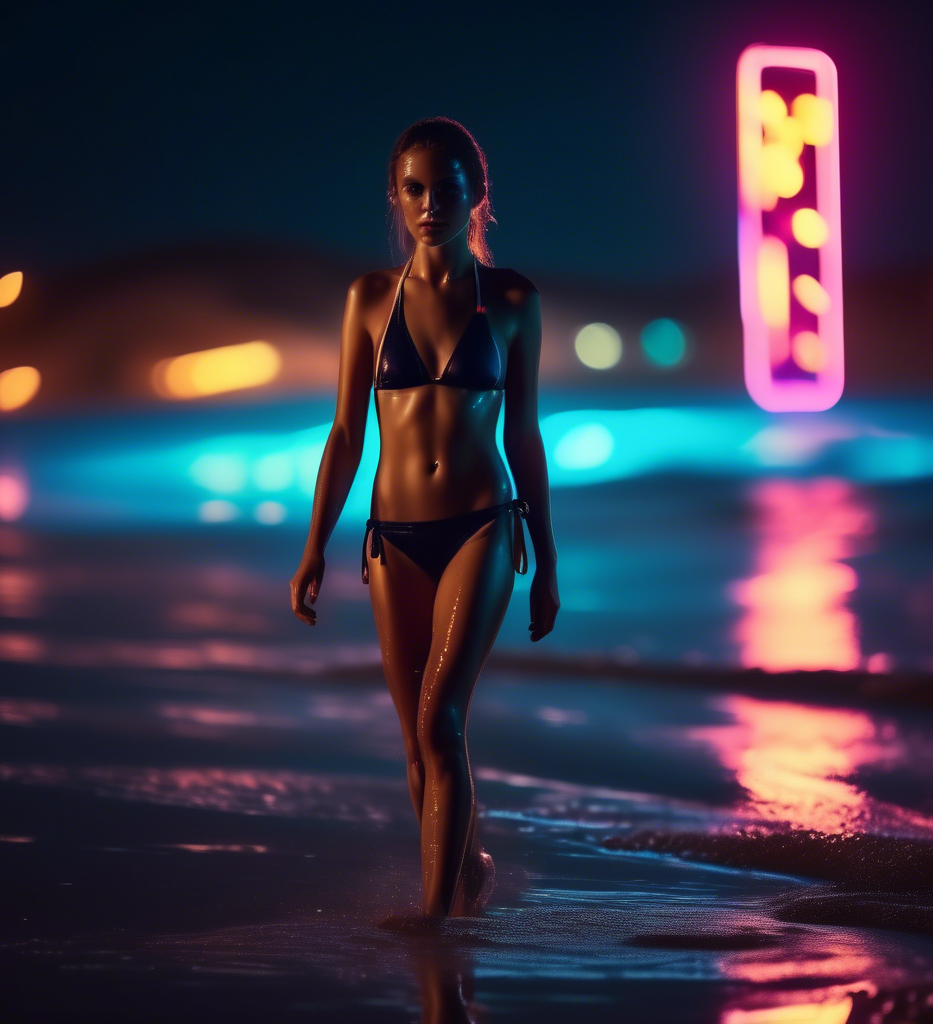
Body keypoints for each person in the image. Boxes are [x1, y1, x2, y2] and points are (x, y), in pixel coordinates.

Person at [290, 117, 559, 921]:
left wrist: (546, 559)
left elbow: (524, 434)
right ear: (396, 198)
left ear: (476, 195)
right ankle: (465, 867)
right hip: (393, 538)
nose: (430, 203)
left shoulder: (511, 299)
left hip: (482, 526)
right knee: (415, 741)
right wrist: (314, 549)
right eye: (414, 189)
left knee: (441, 723)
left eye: (446, 188)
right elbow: (345, 434)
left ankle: (435, 922)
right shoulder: (370, 300)